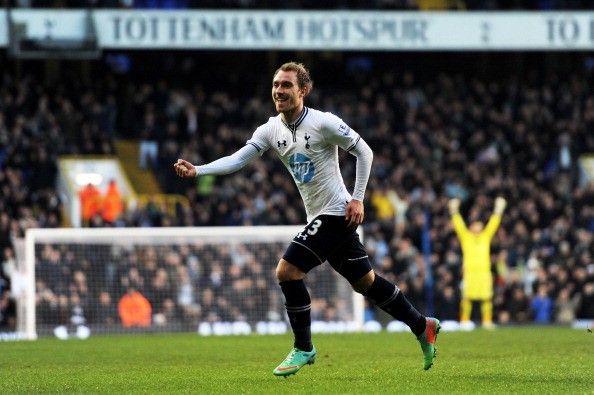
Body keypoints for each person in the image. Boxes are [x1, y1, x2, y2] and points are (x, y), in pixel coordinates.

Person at [174, 62, 441, 376]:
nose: (279, 91)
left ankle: (303, 347)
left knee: (287, 271)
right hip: (322, 215)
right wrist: (199, 170)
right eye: (276, 85)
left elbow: (364, 152)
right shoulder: (270, 129)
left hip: (336, 213)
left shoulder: (323, 122)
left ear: (303, 90)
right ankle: (422, 325)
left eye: (286, 85)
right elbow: (238, 159)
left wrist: (358, 198)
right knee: (365, 283)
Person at [448, 196, 506, 329]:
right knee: (467, 298)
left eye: (480, 224)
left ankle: (487, 321)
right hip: (470, 273)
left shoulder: (486, 236)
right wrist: (454, 210)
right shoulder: (466, 237)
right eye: (476, 224)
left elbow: (493, 224)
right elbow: (458, 225)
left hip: (484, 273)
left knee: (486, 298)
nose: (479, 226)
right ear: (471, 226)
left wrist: (498, 209)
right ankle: (464, 321)